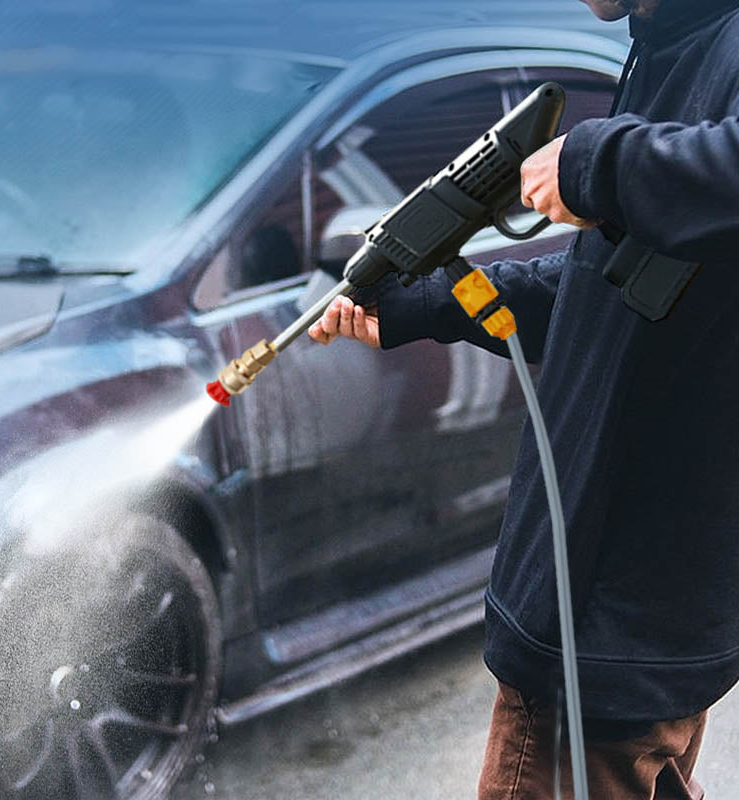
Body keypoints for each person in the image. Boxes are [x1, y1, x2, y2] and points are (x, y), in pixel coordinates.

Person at [308, 0, 739, 796]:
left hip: (607, 622)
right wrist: (424, 303)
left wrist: (591, 161)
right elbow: (604, 285)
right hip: (635, 617)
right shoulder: (673, 47)